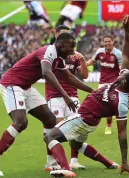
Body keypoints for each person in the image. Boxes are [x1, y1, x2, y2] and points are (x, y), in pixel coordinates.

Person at [0, 32, 93, 176]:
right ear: (60, 44)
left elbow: (70, 78)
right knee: (20, 122)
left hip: (26, 87)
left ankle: (50, 163)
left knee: (49, 119)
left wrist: (92, 91)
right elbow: (47, 73)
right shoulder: (48, 51)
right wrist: (66, 96)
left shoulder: (59, 59)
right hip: (11, 84)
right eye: (71, 46)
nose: (73, 50)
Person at [45, 14, 129, 177]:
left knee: (49, 135)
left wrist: (125, 160)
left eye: (123, 75)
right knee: (76, 143)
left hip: (84, 118)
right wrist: (127, 30)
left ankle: (65, 169)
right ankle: (108, 163)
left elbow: (122, 134)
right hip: (89, 120)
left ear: (125, 83)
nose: (120, 73)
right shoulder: (122, 81)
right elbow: (126, 55)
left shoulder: (122, 102)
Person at [45, 25, 88, 171]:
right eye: (63, 36)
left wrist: (82, 60)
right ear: (56, 36)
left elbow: (84, 75)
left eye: (68, 36)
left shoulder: (73, 55)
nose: (66, 40)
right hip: (55, 96)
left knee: (78, 127)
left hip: (73, 95)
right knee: (57, 128)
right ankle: (51, 161)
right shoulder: (49, 53)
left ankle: (74, 160)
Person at [87, 35, 122, 135]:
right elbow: (92, 61)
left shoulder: (118, 54)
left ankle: (108, 126)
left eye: (109, 41)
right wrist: (83, 64)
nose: (107, 43)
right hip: (102, 82)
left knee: (109, 103)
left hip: (113, 83)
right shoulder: (99, 52)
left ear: (113, 41)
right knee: (102, 104)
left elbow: (121, 68)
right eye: (105, 41)